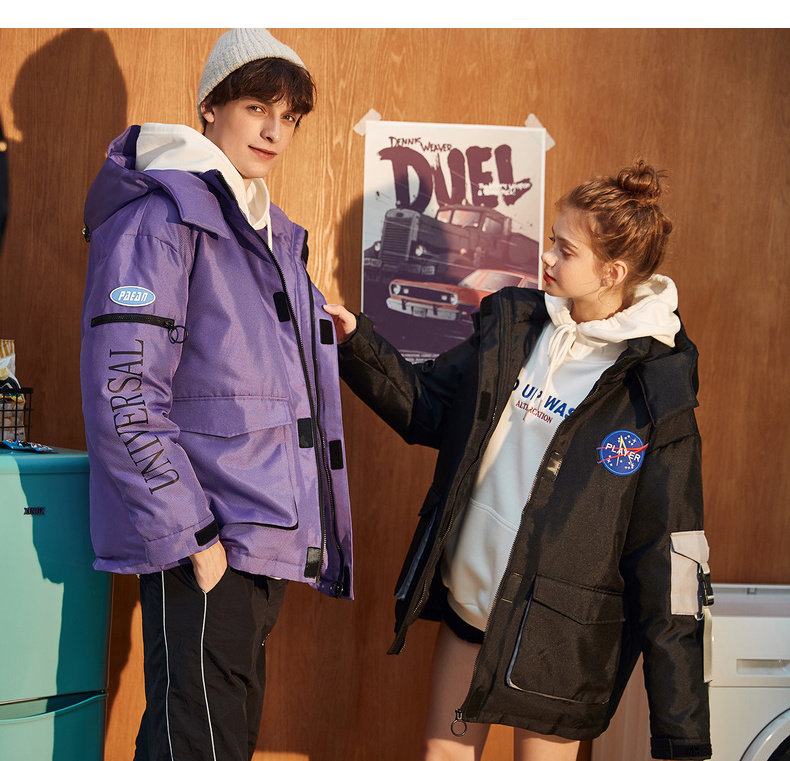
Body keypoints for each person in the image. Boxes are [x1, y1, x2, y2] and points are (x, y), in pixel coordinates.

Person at [325, 161, 712, 761]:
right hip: (470, 608)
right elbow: (430, 411)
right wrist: (356, 343)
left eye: (566, 250)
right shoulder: (516, 325)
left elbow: (669, 556)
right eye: (552, 240)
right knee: (443, 757)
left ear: (612, 272)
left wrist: (682, 736)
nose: (547, 258)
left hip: (559, 641)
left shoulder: (655, 387)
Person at [80, 28, 353, 761]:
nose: (274, 131)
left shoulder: (266, 230)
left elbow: (244, 366)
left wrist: (322, 325)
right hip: (210, 534)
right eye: (257, 107)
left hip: (261, 539)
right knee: (199, 746)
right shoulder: (161, 216)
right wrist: (193, 536)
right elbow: (123, 388)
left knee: (205, 743)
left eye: (289, 117)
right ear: (210, 106)